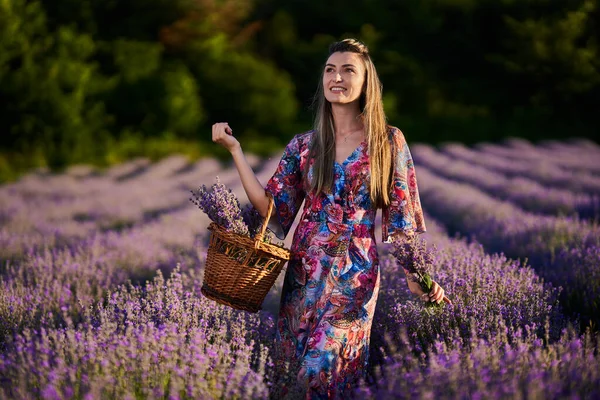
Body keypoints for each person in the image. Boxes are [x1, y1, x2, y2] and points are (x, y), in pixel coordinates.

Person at [211, 38, 451, 399]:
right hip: (303, 275)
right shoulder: (304, 145)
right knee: (289, 376)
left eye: (347, 70)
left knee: (322, 375)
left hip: (353, 279)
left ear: (366, 81)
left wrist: (416, 275)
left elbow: (400, 218)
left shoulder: (388, 141)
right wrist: (236, 152)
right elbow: (274, 212)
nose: (336, 77)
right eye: (329, 70)